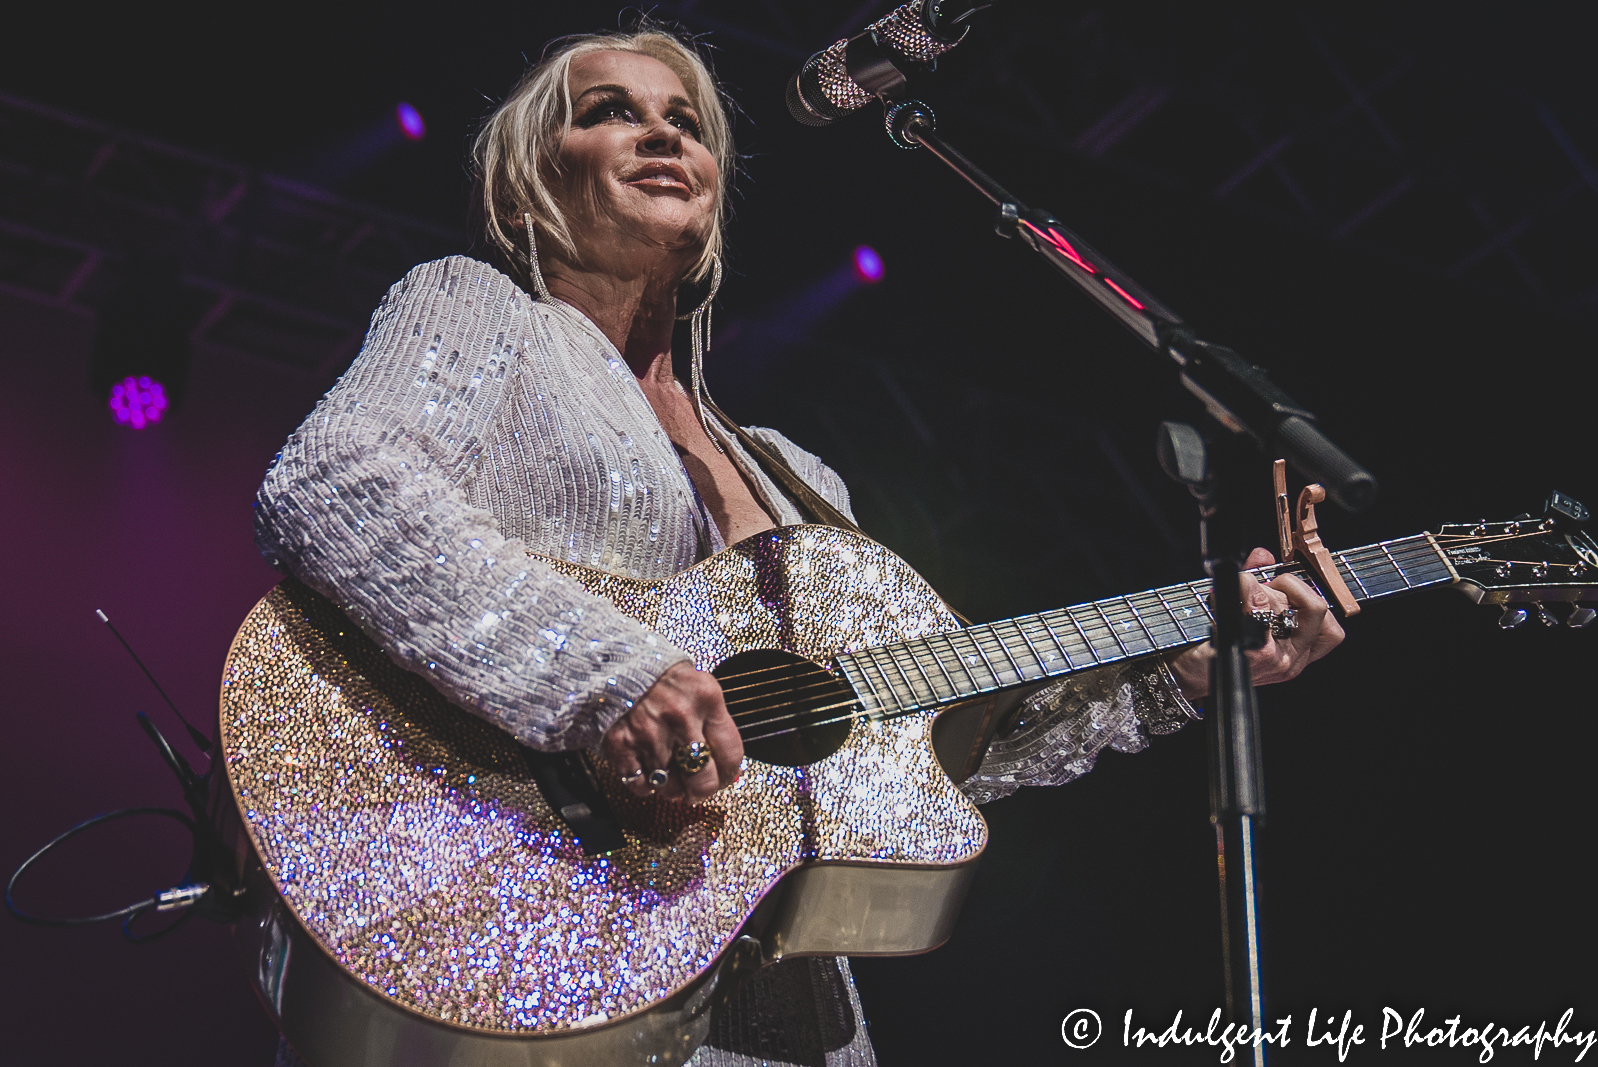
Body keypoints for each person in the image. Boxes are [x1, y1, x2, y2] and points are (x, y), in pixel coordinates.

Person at [254, 22, 1342, 1067]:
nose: (664, 133)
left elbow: (924, 752)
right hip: (525, 920)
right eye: (610, 113)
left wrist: (1185, 670)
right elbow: (335, 485)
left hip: (781, 1007)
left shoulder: (795, 474)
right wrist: (603, 674)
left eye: (685, 118)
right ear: (526, 179)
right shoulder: (479, 310)